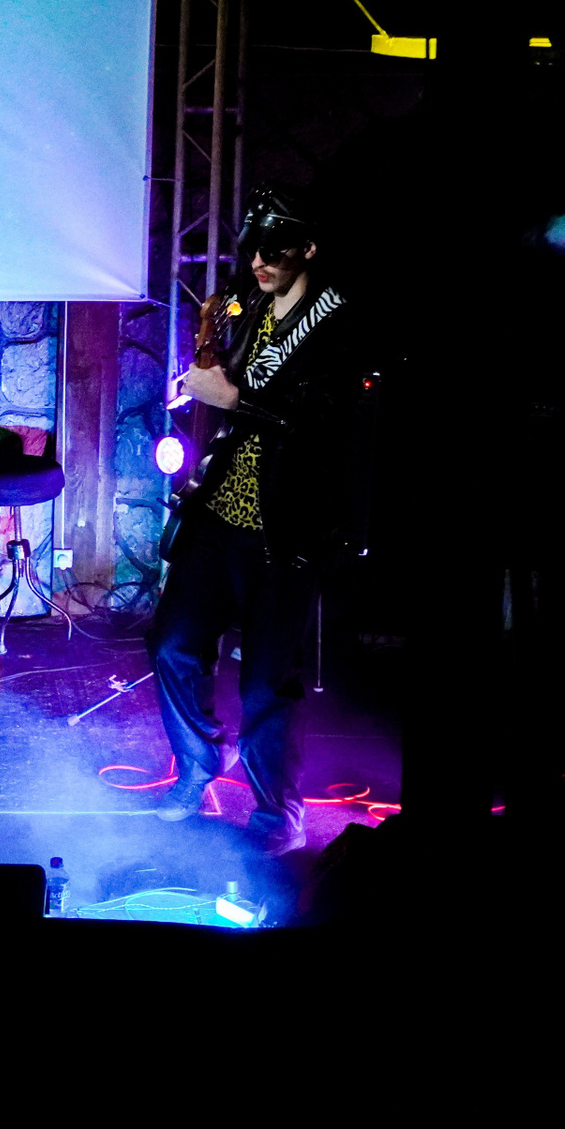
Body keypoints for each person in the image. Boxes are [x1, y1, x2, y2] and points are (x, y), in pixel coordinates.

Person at [152, 186, 369, 857]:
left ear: (308, 249)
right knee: (172, 646)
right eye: (253, 250)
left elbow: (329, 427)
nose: (259, 262)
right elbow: (222, 390)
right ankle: (198, 766)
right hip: (218, 515)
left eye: (275, 250)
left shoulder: (335, 322)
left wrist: (235, 399)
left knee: (265, 681)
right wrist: (198, 380)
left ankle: (280, 811)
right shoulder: (246, 308)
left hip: (285, 529)